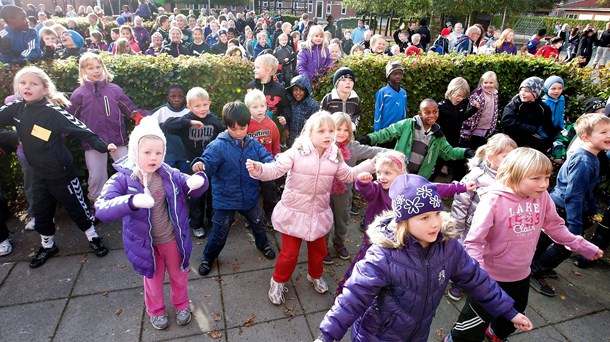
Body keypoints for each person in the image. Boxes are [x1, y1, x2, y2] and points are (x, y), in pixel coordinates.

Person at [318, 173, 533, 342]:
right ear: (404, 221)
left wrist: (509, 311)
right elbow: (353, 298)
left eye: (437, 214)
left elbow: (477, 279)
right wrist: (326, 336)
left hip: (418, 333)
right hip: (377, 336)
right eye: (424, 217)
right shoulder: (383, 256)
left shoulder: (448, 247)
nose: (435, 223)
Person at [446, 147, 601, 342]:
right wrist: (480, 276)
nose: (544, 184)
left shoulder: (542, 197)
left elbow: (555, 226)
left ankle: (495, 335)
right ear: (514, 175)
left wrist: (582, 245)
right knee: (472, 324)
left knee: (512, 318)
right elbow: (475, 241)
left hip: (520, 274)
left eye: (547, 177)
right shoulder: (493, 200)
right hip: (490, 277)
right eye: (536, 178)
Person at [245, 111, 376, 304]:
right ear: (310, 133)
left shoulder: (334, 155)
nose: (328, 135)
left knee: (319, 252)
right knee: (289, 254)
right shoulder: (297, 151)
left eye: (330, 130)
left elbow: (348, 175)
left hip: (318, 214)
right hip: (293, 213)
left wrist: (372, 164)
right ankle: (278, 281)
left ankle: (314, 275)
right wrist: (260, 170)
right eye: (321, 131)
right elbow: (276, 169)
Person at [95, 117, 208, 330]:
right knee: (153, 282)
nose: (153, 158)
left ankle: (182, 305)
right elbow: (102, 207)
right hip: (145, 246)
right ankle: (156, 311)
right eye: (147, 152)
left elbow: (189, 184)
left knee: (179, 276)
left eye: (158, 152)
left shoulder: (168, 173)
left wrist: (198, 182)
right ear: (135, 152)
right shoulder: (123, 179)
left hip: (172, 240)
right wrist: (131, 201)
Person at [0, 66, 116, 268]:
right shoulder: (16, 108)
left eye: (33, 83)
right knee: (41, 212)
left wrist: (104, 146)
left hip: (62, 172)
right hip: (38, 173)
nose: (27, 87)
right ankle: (48, 245)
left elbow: (85, 132)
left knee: (78, 208)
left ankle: (93, 237)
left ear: (45, 89)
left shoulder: (53, 113)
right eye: (23, 83)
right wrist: (12, 137)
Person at [193, 101, 277, 276]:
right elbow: (207, 161)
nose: (238, 133)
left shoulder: (252, 144)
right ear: (227, 125)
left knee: (257, 222)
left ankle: (263, 244)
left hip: (248, 197)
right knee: (220, 231)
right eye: (234, 128)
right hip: (225, 199)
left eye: (242, 128)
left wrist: (274, 165)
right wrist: (200, 165)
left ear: (248, 124)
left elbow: (267, 157)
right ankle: (208, 257)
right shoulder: (218, 146)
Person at [529, 114, 609, 292]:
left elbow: (587, 190)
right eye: (603, 132)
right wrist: (575, 226)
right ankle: (535, 270)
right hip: (564, 208)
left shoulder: (591, 157)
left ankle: (531, 264)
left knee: (544, 236)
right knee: (564, 246)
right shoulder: (584, 161)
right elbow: (574, 195)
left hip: (560, 205)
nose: (609, 135)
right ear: (586, 137)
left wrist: (593, 208)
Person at [67, 52, 147, 208]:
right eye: (91, 68)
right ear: (83, 71)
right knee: (97, 176)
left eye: (98, 67)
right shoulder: (79, 94)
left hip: (118, 139)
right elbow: (69, 118)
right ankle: (97, 204)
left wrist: (144, 118)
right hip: (93, 143)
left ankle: (132, 200)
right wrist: (56, 133)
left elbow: (129, 109)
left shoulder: (114, 89)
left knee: (129, 170)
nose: (96, 71)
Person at [447, 133, 517, 301]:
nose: (511, 162)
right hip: (472, 228)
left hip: (495, 229)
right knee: (465, 255)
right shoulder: (476, 177)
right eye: (506, 157)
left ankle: (477, 279)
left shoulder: (511, 178)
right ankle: (457, 282)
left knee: (485, 255)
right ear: (491, 157)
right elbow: (460, 204)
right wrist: (456, 229)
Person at [325, 112, 387, 264]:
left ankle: (338, 242)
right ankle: (323, 246)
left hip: (343, 191)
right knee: (324, 219)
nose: (342, 133)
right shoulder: (325, 144)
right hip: (323, 190)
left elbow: (374, 150)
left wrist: (392, 153)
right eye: (338, 129)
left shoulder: (353, 147)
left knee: (342, 218)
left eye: (346, 130)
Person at [358, 99, 473, 180]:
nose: (432, 115)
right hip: (398, 172)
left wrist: (466, 152)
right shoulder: (407, 125)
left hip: (418, 177)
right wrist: (368, 138)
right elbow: (386, 133)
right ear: (420, 113)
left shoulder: (437, 135)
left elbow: (449, 152)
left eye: (435, 112)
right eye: (427, 112)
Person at [165, 87, 224, 239]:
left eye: (205, 104)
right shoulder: (186, 120)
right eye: (197, 106)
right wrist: (190, 122)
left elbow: (224, 134)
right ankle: (196, 224)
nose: (202, 108)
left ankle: (213, 219)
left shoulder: (213, 120)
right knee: (197, 195)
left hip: (211, 164)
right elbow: (167, 126)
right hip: (193, 165)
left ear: (209, 103)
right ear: (189, 107)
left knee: (213, 193)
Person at [244, 89, 280, 226]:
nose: (259, 110)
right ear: (248, 108)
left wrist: (276, 159)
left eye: (262, 106)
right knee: (250, 191)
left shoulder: (271, 124)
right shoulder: (246, 125)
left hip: (267, 165)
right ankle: (250, 216)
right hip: (250, 165)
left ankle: (269, 214)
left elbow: (276, 144)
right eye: (255, 107)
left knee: (269, 191)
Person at [436, 77, 478, 181]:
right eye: (458, 95)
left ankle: (455, 187)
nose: (460, 98)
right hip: (442, 144)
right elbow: (434, 124)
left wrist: (473, 110)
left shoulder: (460, 105)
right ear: (451, 91)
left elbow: (461, 118)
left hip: (455, 141)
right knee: (436, 167)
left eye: (463, 97)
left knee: (460, 165)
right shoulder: (441, 107)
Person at [501, 76, 556, 154]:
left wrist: (548, 142)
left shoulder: (544, 108)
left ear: (535, 93)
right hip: (513, 143)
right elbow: (506, 122)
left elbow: (548, 127)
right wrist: (530, 128)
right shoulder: (514, 104)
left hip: (532, 146)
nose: (522, 93)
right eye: (521, 90)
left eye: (527, 91)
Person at [246, 54, 292, 144]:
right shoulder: (250, 87)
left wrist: (285, 118)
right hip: (252, 130)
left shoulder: (280, 89)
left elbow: (286, 107)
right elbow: (245, 106)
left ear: (268, 70)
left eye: (258, 67)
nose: (254, 70)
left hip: (272, 130)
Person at [150, 84, 190, 173]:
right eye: (173, 96)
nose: (177, 99)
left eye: (180, 96)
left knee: (186, 180)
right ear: (168, 97)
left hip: (185, 155)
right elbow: (148, 127)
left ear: (184, 98)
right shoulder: (161, 112)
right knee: (168, 180)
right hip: (167, 156)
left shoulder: (189, 113)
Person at [460, 71, 500, 150]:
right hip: (475, 127)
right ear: (481, 82)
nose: (488, 85)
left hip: (487, 127)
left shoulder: (495, 94)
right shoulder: (478, 94)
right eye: (485, 82)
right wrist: (474, 104)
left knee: (482, 147)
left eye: (491, 83)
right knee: (473, 147)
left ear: (495, 83)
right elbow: (471, 107)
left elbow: (494, 110)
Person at [285, 75, 320, 147]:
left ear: (306, 91)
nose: (298, 93)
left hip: (306, 142)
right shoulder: (288, 102)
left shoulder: (313, 106)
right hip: (289, 141)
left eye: (301, 90)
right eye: (295, 89)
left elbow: (315, 126)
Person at [374, 61, 407, 134]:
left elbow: (404, 112)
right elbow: (378, 113)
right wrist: (377, 132)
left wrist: (403, 128)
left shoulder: (403, 93)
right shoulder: (383, 92)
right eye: (394, 74)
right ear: (388, 76)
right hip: (384, 131)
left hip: (398, 131)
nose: (398, 76)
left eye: (400, 74)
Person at [542, 76, 566, 141]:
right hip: (544, 133)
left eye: (560, 88)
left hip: (556, 129)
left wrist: (561, 127)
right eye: (553, 88)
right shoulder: (544, 102)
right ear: (547, 89)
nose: (557, 91)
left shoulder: (561, 99)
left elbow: (561, 114)